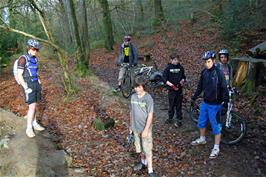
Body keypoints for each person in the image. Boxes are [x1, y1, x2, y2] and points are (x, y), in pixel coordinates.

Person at [191, 51, 229, 159]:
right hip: (205, 103)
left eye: (208, 61)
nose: (206, 64)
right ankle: (202, 139)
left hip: (216, 105)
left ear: (213, 61)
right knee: (201, 122)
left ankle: (216, 147)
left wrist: (225, 103)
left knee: (216, 127)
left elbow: (224, 89)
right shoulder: (204, 72)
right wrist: (194, 97)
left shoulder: (219, 73)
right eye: (205, 62)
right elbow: (200, 87)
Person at [17, 39, 45, 138]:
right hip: (28, 84)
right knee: (32, 106)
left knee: (35, 105)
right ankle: (29, 128)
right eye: (34, 48)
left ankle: (35, 123)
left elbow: (35, 71)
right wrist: (25, 87)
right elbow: (19, 75)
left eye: (37, 49)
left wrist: (39, 81)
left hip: (36, 83)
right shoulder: (23, 58)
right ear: (28, 48)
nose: (35, 51)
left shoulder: (35, 59)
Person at [130, 77, 156, 177]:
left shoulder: (148, 98)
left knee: (147, 149)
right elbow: (131, 112)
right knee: (139, 148)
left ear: (143, 87)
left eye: (139, 87)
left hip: (145, 129)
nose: (137, 89)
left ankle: (150, 170)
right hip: (135, 128)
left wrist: (145, 130)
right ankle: (143, 163)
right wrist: (131, 126)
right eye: (135, 87)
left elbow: (150, 115)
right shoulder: (133, 97)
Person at [163, 53, 186, 127]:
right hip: (171, 90)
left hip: (179, 90)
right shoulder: (168, 68)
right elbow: (164, 79)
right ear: (171, 60)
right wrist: (172, 86)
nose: (176, 61)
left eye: (177, 60)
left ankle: (179, 118)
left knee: (179, 105)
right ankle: (170, 117)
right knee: (171, 104)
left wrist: (182, 81)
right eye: (175, 60)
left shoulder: (181, 68)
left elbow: (183, 77)